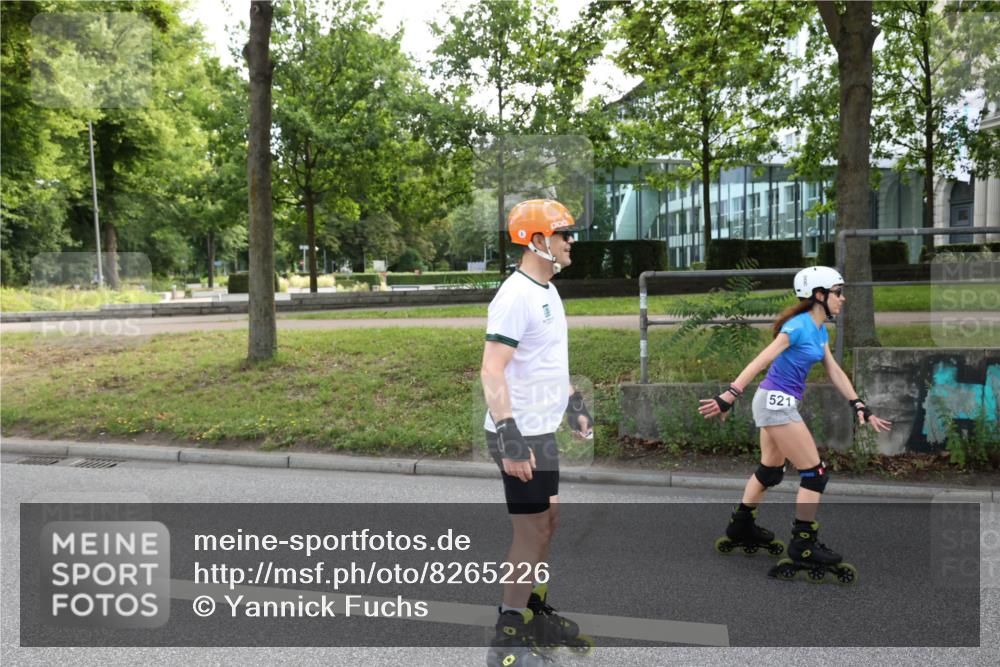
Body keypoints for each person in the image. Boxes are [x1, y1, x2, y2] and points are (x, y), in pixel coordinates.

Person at [698, 266, 892, 583]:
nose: (843, 298)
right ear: (819, 295)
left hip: (776, 403)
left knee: (771, 471)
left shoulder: (819, 330)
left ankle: (741, 526)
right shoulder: (797, 326)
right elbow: (762, 359)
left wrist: (858, 403)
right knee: (814, 474)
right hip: (775, 404)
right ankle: (803, 545)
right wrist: (730, 395)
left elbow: (834, 371)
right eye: (838, 292)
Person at [481, 199, 594, 666]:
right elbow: (492, 370)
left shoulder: (546, 289)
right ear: (538, 240)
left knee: (548, 524)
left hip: (540, 431)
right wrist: (510, 436)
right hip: (517, 435)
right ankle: (509, 630)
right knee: (529, 533)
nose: (572, 242)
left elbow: (547, 361)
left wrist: (572, 403)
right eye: (565, 234)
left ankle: (532, 610)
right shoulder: (515, 296)